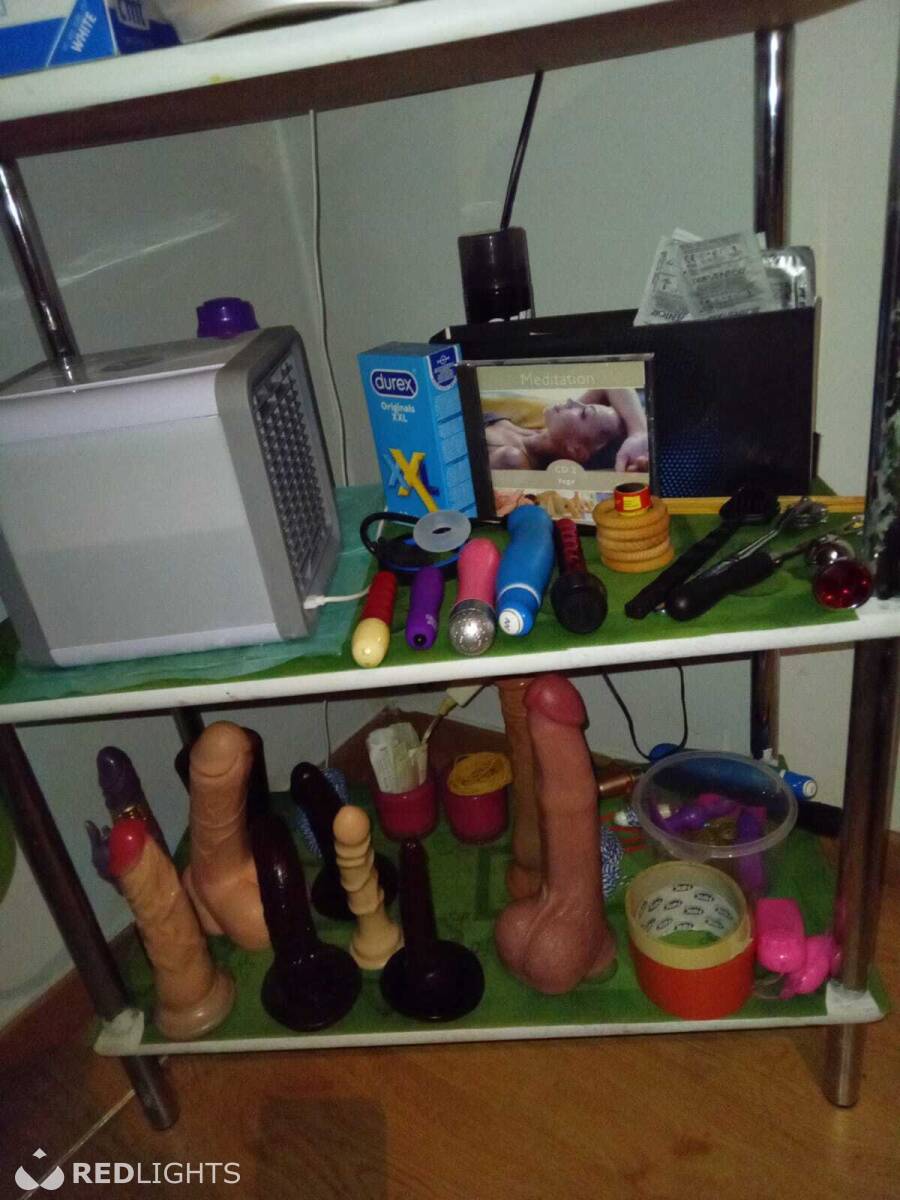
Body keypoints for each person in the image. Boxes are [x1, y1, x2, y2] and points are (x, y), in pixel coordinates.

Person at [483, 388, 648, 473]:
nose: (571, 401)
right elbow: (613, 383)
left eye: (584, 413)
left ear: (576, 450)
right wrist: (638, 433)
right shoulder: (538, 431)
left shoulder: (512, 460)